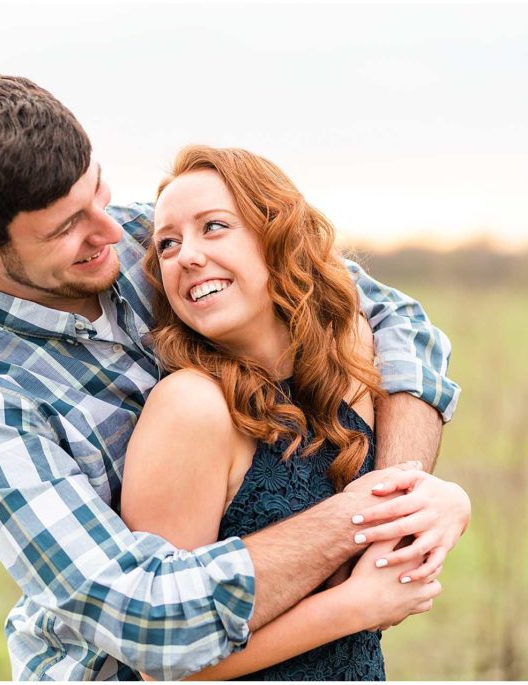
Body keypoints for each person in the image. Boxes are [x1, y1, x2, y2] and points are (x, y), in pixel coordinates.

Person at [0, 67, 466, 681]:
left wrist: (407, 498)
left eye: (98, 191)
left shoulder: (158, 237)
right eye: (66, 228)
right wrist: (362, 524)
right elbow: (147, 621)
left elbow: (392, 319)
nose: (111, 232)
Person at [122, 146, 468, 680]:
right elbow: (166, 668)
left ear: (277, 234)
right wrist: (350, 609)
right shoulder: (190, 406)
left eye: (214, 227)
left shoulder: (352, 357)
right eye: (167, 244)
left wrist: (448, 500)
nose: (186, 254)